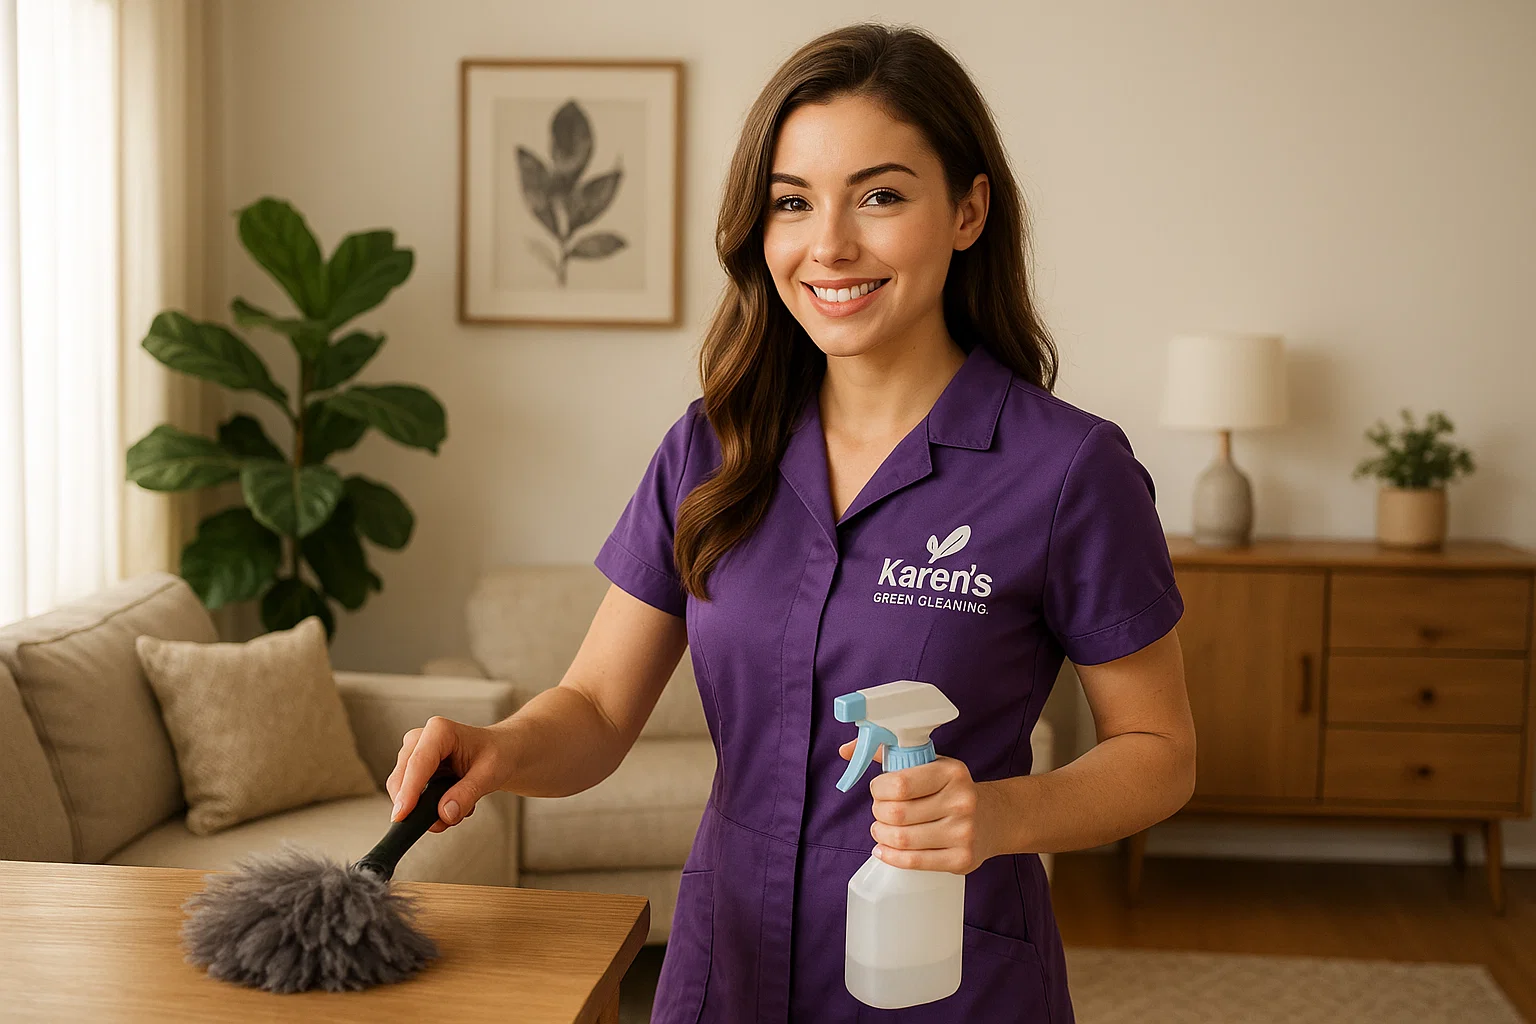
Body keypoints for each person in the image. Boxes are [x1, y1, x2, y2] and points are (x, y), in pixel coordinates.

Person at [388, 21, 1195, 1023]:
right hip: (728, 968)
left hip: (948, 980)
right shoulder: (711, 449)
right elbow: (595, 711)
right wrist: (498, 746)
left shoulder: (1068, 468)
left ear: (968, 210)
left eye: (882, 195)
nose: (830, 245)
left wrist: (997, 814)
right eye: (792, 202)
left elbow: (1159, 749)